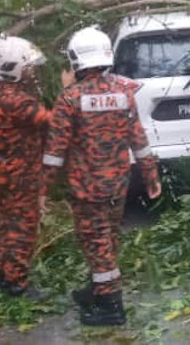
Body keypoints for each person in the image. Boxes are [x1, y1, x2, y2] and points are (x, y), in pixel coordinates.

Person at [42, 27, 161, 327]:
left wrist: (42, 189)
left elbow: (54, 153)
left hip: (87, 190)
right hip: (117, 186)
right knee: (108, 238)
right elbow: (139, 140)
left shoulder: (69, 100)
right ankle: (98, 289)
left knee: (96, 243)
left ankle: (111, 307)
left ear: (76, 60)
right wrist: (150, 176)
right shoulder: (123, 92)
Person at [0, 36, 52, 299]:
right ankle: (17, 283)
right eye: (27, 65)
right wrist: (71, 90)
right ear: (12, 67)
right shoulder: (16, 100)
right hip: (19, 176)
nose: (32, 70)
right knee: (22, 228)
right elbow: (51, 121)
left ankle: (0, 274)